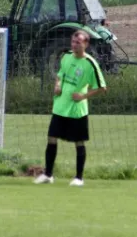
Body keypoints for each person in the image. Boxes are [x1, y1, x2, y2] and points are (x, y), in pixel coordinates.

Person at [34, 30, 107, 186]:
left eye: (78, 43)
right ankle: (48, 175)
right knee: (51, 137)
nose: (74, 45)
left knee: (79, 142)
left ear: (86, 44)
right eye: (73, 42)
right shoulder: (66, 56)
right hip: (60, 106)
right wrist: (58, 85)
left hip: (76, 110)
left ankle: (79, 178)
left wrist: (83, 96)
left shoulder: (90, 64)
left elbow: (102, 88)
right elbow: (60, 75)